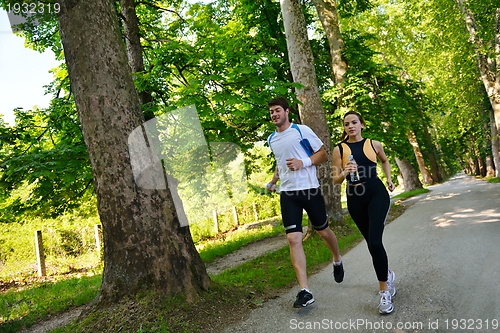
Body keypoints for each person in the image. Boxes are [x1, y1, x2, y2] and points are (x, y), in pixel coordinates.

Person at [266, 97, 344, 308]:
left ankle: (337, 258)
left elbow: (323, 154)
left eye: (277, 110)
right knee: (293, 238)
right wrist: (274, 180)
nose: (274, 114)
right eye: (272, 111)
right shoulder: (272, 138)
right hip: (288, 194)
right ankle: (305, 291)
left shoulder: (301, 131)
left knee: (323, 231)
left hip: (309, 189)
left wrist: (303, 162)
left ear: (287, 111)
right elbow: (280, 163)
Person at [332, 111, 396, 314]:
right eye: (346, 124)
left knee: (375, 241)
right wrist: (345, 172)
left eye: (354, 122)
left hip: (376, 193)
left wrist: (389, 179)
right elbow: (335, 180)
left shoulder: (374, 144)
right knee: (371, 243)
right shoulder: (339, 150)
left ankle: (384, 291)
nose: (350, 126)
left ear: (361, 124)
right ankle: (387, 274)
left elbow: (385, 161)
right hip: (354, 197)